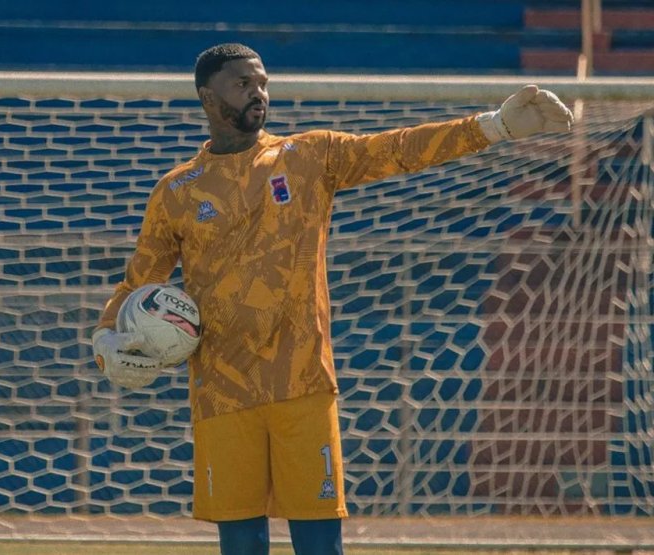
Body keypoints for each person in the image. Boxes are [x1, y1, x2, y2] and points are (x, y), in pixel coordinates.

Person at [92, 43, 574, 555]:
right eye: (242, 85)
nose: (258, 94)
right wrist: (105, 333)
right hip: (221, 391)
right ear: (209, 99)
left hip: (303, 382)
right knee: (241, 545)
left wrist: (492, 127)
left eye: (262, 83)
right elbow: (139, 281)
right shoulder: (177, 192)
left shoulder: (307, 156)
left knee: (321, 545)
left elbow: (397, 149)